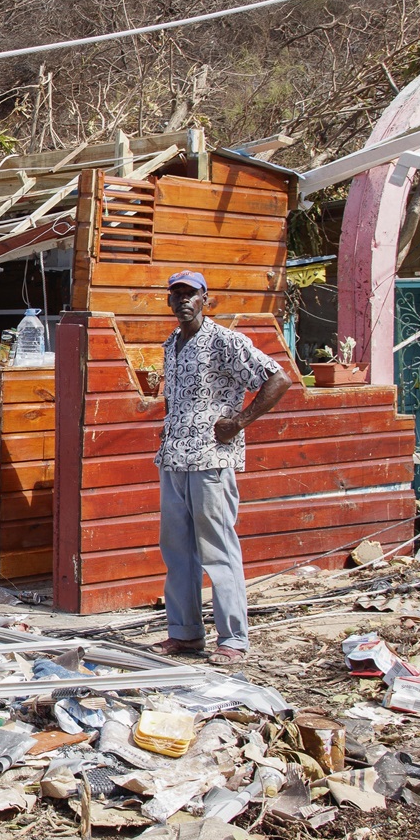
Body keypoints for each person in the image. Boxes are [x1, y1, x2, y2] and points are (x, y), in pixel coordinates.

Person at [152, 270, 291, 665]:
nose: (182, 300)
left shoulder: (224, 341)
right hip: (174, 458)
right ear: (169, 300)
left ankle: (233, 639)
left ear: (205, 299)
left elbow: (277, 378)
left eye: (190, 294)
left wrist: (240, 421)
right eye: (175, 293)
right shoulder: (172, 344)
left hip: (211, 458)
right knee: (177, 550)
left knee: (218, 549)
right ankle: (184, 634)